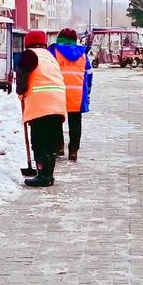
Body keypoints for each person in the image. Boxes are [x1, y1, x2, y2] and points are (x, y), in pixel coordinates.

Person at [16, 30, 66, 187]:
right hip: (58, 103)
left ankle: (43, 176)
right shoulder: (50, 57)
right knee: (51, 142)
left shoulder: (29, 54)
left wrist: (20, 91)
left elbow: (22, 75)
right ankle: (48, 175)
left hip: (41, 105)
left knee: (39, 141)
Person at [49, 28, 93, 162]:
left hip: (58, 92)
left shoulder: (53, 52)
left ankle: (59, 147)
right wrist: (88, 89)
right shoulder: (82, 54)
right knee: (75, 122)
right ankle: (73, 151)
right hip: (77, 94)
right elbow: (89, 73)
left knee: (56, 121)